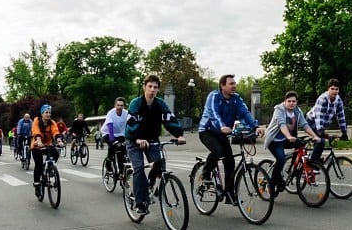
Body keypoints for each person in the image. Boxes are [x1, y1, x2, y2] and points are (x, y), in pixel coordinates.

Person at [197, 74, 263, 203]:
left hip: (223, 133)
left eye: (235, 83)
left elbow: (244, 113)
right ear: (222, 86)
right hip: (208, 131)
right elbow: (213, 113)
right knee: (217, 151)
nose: (234, 86)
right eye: (231, 83)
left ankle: (229, 194)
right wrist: (221, 126)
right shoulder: (214, 96)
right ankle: (205, 174)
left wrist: (255, 127)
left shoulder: (236, 99)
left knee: (230, 163)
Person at [125, 75, 185, 213]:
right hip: (134, 140)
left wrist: (179, 134)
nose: (152, 90)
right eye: (150, 86)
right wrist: (137, 139)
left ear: (158, 89)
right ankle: (140, 202)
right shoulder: (136, 103)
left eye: (155, 87)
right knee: (139, 168)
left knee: (160, 164)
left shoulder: (160, 104)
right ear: (144, 87)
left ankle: (150, 187)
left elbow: (169, 119)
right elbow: (131, 124)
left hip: (152, 139)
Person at [263, 91, 322, 193]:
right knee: (281, 159)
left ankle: (294, 168)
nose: (291, 103)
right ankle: (271, 184)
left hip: (287, 139)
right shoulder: (279, 109)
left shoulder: (297, 112)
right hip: (274, 140)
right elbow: (282, 124)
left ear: (296, 102)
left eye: (293, 101)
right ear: (284, 102)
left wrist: (315, 136)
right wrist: (288, 136)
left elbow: (305, 125)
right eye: (289, 101)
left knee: (301, 144)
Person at [306, 79, 349, 163]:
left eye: (336, 89)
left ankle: (313, 162)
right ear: (328, 89)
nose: (334, 91)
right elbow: (319, 116)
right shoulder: (323, 99)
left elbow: (341, 117)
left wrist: (344, 133)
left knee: (320, 143)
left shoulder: (338, 101)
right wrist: (320, 132)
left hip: (321, 124)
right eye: (332, 89)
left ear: (339, 90)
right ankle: (313, 163)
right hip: (311, 121)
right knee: (321, 141)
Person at [30, 105, 62, 197]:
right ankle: (37, 185)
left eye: (49, 112)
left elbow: (55, 132)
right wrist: (39, 141)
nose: (48, 114)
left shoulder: (52, 122)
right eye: (46, 112)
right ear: (42, 114)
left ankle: (50, 168)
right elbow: (36, 132)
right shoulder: (36, 121)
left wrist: (59, 141)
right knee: (38, 165)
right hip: (36, 146)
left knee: (55, 153)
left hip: (48, 145)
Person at [101, 97, 129, 171]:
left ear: (124, 106)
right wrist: (113, 141)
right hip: (108, 133)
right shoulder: (111, 113)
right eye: (118, 105)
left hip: (120, 134)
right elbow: (110, 127)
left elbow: (130, 125)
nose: (119, 107)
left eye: (121, 105)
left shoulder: (126, 113)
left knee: (123, 151)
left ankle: (121, 171)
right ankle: (108, 163)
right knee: (112, 147)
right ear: (115, 105)